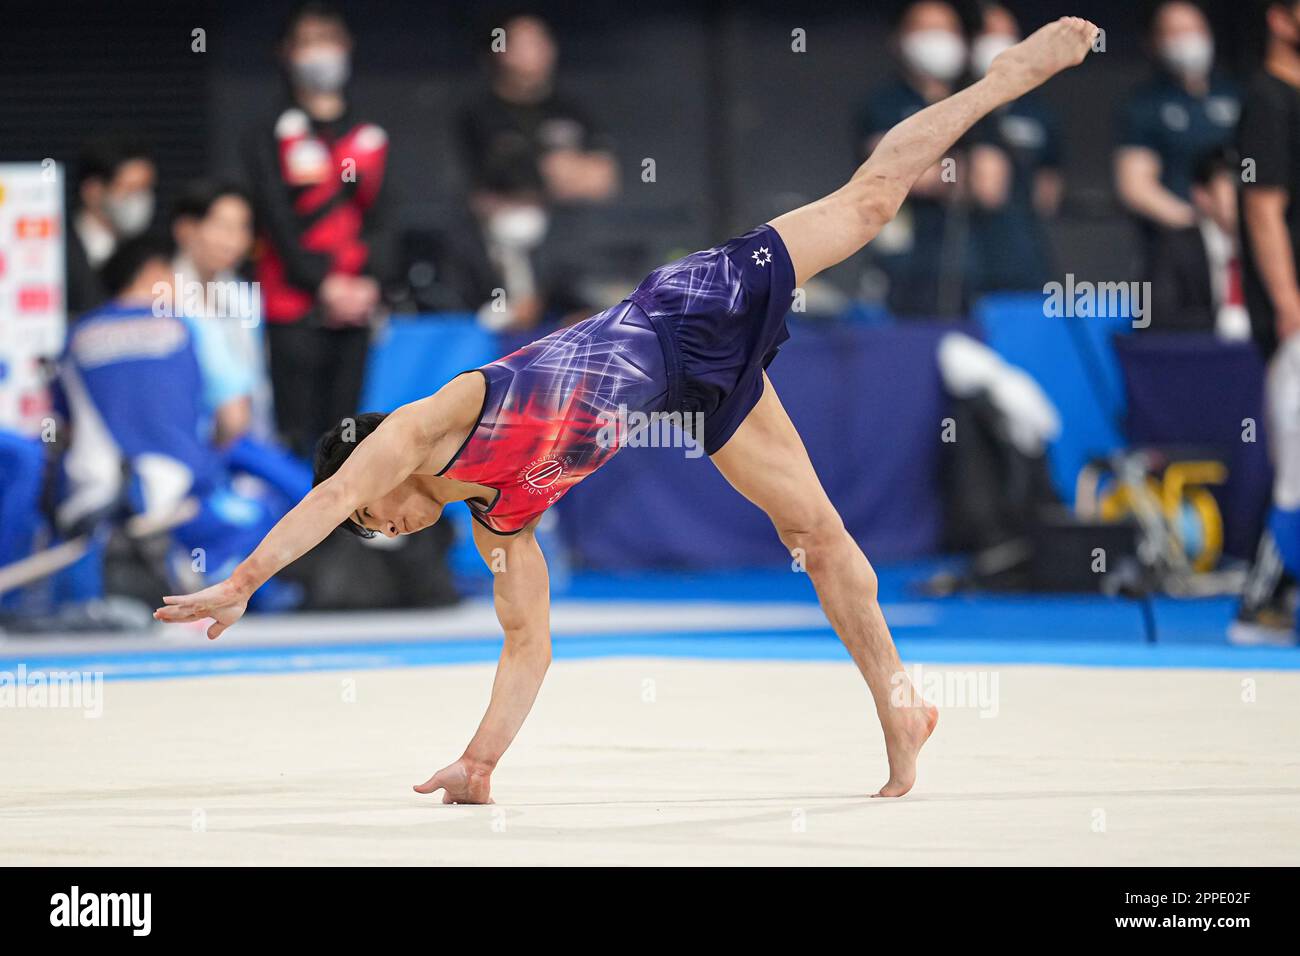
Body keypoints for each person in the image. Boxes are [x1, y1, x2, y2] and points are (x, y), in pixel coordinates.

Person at [155, 18, 1101, 802]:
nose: (385, 526)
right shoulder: (502, 527)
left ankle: (999, 81)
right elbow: (529, 646)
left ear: (380, 476)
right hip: (696, 393)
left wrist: (240, 582)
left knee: (866, 206)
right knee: (813, 532)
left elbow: (326, 500)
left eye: (374, 516)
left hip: (683, 305)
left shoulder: (434, 419)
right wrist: (482, 763)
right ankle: (901, 700)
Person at [241, 1, 398, 459]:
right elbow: (275, 220)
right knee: (297, 434)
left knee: (347, 434)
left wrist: (370, 284)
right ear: (286, 53)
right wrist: (323, 284)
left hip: (356, 307)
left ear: (346, 46)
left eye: (328, 40)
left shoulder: (370, 135)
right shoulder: (267, 134)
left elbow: (384, 219)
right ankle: (295, 525)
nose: (321, 53)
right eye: (308, 42)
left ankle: (343, 529)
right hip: (292, 309)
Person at [457, 12, 618, 330]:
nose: (536, 50)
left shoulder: (570, 110)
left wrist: (547, 175)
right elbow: (488, 190)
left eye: (541, 40)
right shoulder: (479, 115)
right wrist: (558, 171)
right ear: (498, 50)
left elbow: (603, 180)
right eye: (523, 42)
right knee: (517, 226)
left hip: (568, 250)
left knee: (589, 312)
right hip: (503, 254)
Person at [1231, 0, 1300, 644]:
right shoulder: (1270, 102)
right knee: (1296, 465)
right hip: (1293, 313)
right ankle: (1262, 600)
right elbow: (1262, 208)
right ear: (1280, 20)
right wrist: (1287, 303)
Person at [1113, 1, 1239, 263]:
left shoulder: (1236, 95)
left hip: (1241, 243)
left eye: (1194, 29)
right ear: (1155, 42)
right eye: (1176, 32)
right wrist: (1198, 225)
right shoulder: (1145, 104)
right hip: (1177, 247)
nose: (1188, 40)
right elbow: (1135, 186)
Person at [967, 2, 1065, 293]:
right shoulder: (951, 105)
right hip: (962, 264)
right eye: (989, 33)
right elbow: (985, 190)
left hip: (1025, 259)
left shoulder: (1038, 113)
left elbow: (1047, 193)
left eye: (1008, 34)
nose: (999, 42)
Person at [1146, 147, 1250, 338]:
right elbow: (1155, 317)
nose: (1241, 191)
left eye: (1248, 181)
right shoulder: (1175, 247)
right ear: (1202, 195)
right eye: (1231, 181)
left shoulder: (1275, 247)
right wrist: (1220, 321)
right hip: (1199, 357)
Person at [66, 137, 157, 317]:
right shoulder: (57, 251)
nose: (140, 200)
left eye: (146, 189)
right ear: (92, 191)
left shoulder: (150, 254)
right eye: (130, 189)